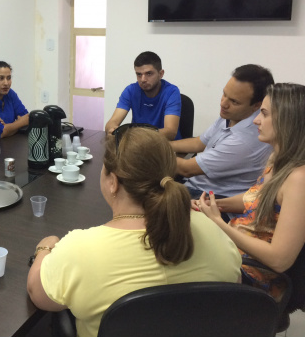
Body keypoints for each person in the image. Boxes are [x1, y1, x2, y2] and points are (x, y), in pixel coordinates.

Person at [27, 125, 241, 337]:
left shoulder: (80, 250)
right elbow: (233, 288)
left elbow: (38, 294)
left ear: (113, 182)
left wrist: (45, 247)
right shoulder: (215, 231)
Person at [195, 83, 305, 299]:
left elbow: (279, 260)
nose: (256, 120)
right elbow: (254, 200)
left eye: (263, 114)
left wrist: (218, 222)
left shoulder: (298, 179)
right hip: (234, 251)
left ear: (287, 121)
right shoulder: (277, 159)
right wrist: (214, 205)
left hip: (253, 277)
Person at [171, 64, 274, 199]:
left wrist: (149, 148)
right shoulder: (232, 114)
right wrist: (162, 144)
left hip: (210, 196)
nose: (223, 103)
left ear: (257, 105)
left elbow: (186, 169)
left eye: (234, 101)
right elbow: (199, 142)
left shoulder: (244, 140)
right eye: (224, 94)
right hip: (195, 184)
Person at [105, 51, 181, 141]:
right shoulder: (131, 90)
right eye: (139, 74)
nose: (143, 79)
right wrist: (112, 130)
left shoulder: (171, 92)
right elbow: (112, 123)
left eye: (149, 74)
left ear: (161, 74)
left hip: (166, 146)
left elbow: (170, 132)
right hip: (138, 146)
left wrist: (136, 136)